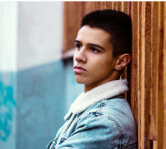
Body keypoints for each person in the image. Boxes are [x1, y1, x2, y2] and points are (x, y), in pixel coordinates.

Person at [47, 10, 137, 149]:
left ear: (121, 62)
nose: (79, 57)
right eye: (78, 46)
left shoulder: (104, 123)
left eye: (94, 49)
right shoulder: (87, 109)